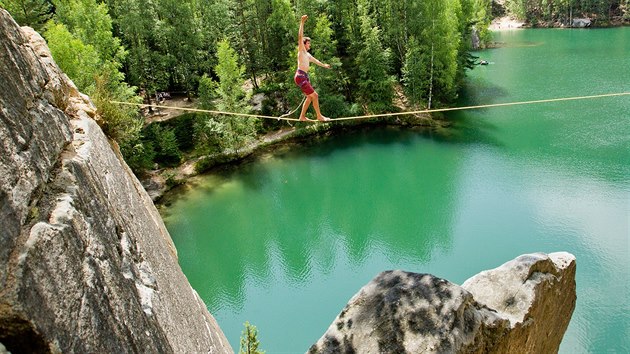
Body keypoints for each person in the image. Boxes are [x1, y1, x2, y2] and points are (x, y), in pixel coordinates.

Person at [295, 14, 331, 122]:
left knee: (310, 97)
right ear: (304, 44)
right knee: (315, 96)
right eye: (308, 43)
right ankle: (319, 116)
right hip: (300, 76)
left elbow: (316, 61)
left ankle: (302, 116)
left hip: (303, 77)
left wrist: (324, 65)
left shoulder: (308, 55)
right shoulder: (301, 51)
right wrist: (302, 22)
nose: (309, 45)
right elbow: (300, 37)